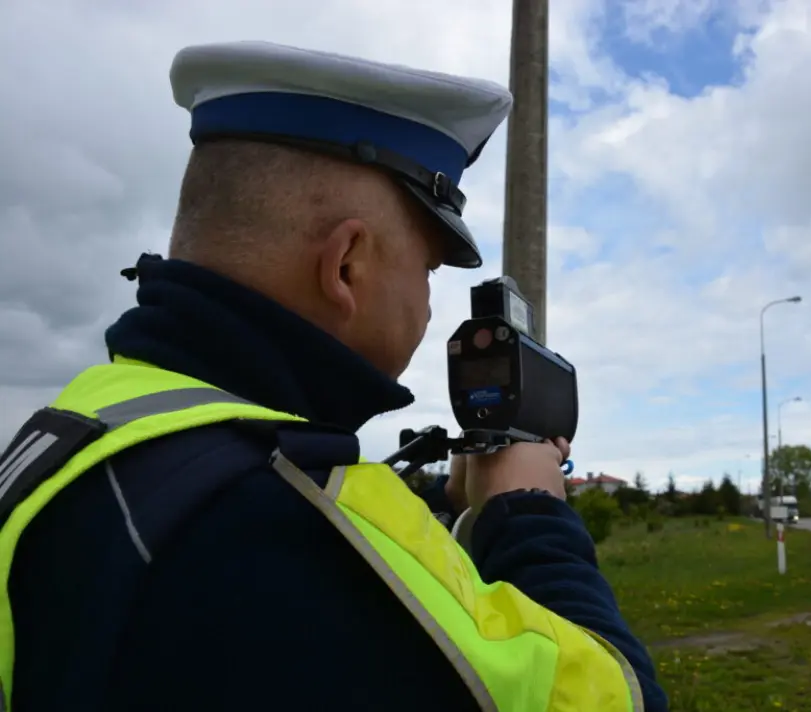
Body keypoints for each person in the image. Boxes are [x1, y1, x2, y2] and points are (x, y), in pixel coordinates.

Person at [0, 41, 667, 712]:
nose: (430, 305)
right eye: (429, 271)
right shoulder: (281, 514)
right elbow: (617, 699)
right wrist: (530, 515)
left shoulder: (87, 425)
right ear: (347, 264)